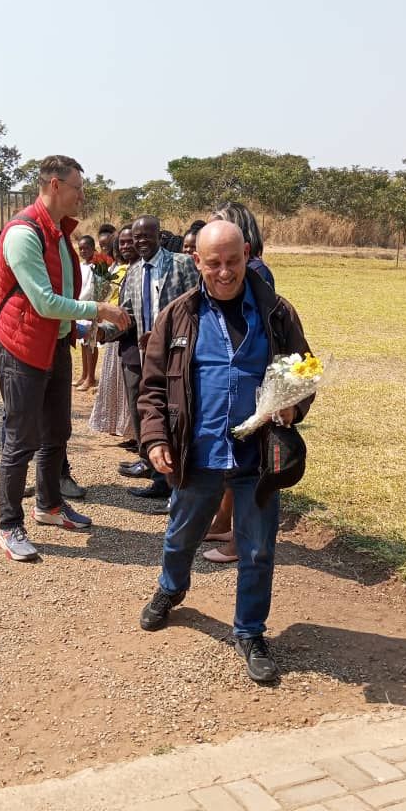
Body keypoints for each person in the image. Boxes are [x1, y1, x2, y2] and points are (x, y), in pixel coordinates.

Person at [137, 220, 312, 682]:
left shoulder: (277, 313)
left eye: (233, 261)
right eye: (213, 263)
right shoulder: (178, 315)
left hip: (258, 459)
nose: (225, 272)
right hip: (198, 453)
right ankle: (171, 588)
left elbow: (303, 372)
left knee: (257, 550)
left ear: (248, 254)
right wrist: (155, 438)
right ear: (197, 260)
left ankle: (250, 631)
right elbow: (152, 387)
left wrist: (294, 406)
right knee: (181, 536)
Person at [0, 155, 129, 562]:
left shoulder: (58, 233)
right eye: (77, 188)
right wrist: (99, 311)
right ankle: (9, 525)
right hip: (22, 349)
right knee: (21, 439)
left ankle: (49, 506)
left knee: (57, 433)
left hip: (54, 344)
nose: (82, 196)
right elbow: (44, 302)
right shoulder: (24, 233)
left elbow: (62, 299)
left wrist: (80, 328)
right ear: (55, 185)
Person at [107, 215, 198, 500]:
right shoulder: (133, 272)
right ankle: (160, 479)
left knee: (179, 415)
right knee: (153, 413)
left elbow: (197, 307)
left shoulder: (181, 264)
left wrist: (165, 336)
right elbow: (127, 315)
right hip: (148, 357)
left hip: (179, 356)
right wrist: (98, 331)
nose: (141, 241)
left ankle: (181, 485)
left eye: (147, 235)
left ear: (159, 236)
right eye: (137, 237)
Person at [202, 203, 274, 562]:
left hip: (250, 385)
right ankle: (223, 523)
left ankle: (238, 540)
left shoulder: (256, 273)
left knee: (246, 468)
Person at [88, 225, 137, 438]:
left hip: (126, 330)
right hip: (113, 328)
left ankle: (134, 433)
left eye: (130, 242)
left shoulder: (136, 270)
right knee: (119, 383)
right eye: (122, 243)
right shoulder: (117, 269)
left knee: (131, 388)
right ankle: (123, 428)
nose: (125, 246)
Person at [75, 235, 101, 391]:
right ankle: (84, 375)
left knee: (91, 343)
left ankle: (90, 377)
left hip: (89, 307)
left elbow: (92, 288)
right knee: (83, 342)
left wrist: (80, 302)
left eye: (86, 248)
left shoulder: (97, 267)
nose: (83, 251)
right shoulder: (80, 266)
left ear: (93, 249)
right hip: (79, 308)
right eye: (81, 249)